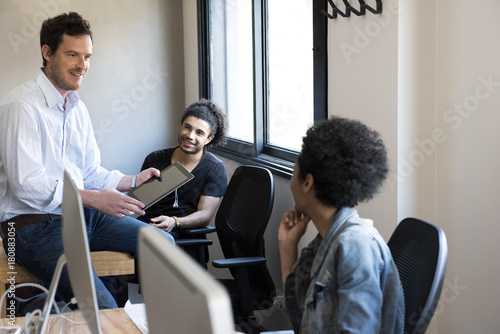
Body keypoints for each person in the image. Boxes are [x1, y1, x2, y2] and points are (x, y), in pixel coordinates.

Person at [0, 12, 174, 310]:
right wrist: (93, 199)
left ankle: (157, 323)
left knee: (163, 245)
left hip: (81, 217)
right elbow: (26, 185)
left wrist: (132, 181)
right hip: (30, 228)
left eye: (87, 56)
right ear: (47, 52)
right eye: (72, 55)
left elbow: (89, 171)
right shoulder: (21, 106)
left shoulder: (76, 107)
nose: (83, 66)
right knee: (102, 306)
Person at [275, 116, 405, 333]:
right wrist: (287, 247)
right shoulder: (326, 239)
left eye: (294, 171)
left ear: (307, 182)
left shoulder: (356, 246)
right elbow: (301, 314)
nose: (291, 179)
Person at [138, 99, 228, 237]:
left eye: (199, 133)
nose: (190, 136)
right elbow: (141, 201)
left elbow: (205, 214)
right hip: (146, 228)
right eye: (187, 127)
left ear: (209, 139)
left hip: (183, 233)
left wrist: (175, 221)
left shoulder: (214, 168)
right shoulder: (155, 159)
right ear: (181, 126)